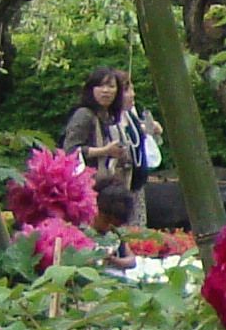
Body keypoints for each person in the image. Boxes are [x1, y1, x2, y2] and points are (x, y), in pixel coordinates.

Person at [60, 66, 159, 229]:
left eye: (111, 86)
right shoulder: (84, 114)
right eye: (101, 86)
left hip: (109, 189)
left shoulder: (109, 116)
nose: (106, 91)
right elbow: (70, 150)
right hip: (87, 189)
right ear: (91, 89)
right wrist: (105, 151)